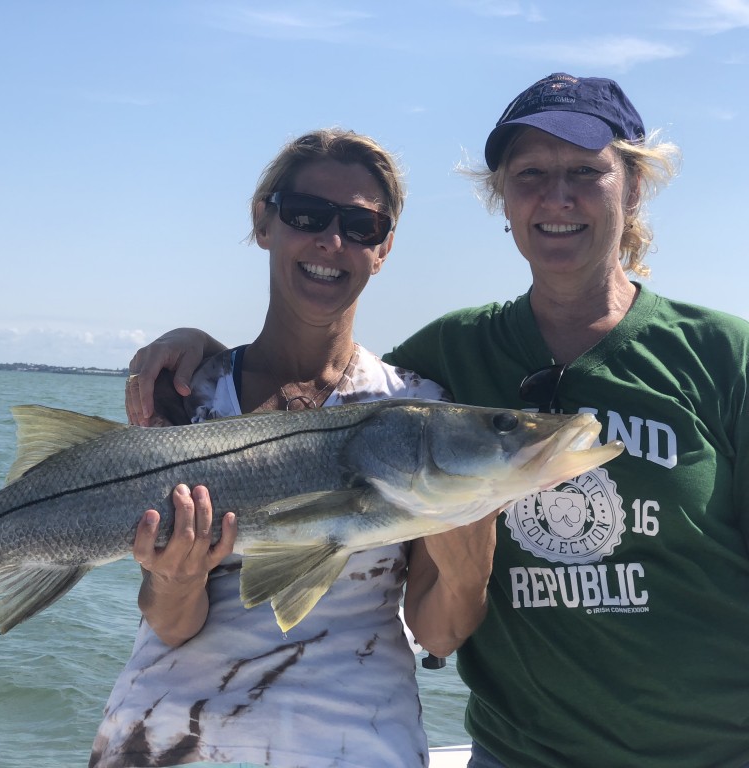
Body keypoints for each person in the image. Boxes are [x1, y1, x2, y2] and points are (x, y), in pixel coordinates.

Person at [125, 74, 749, 768]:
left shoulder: (725, 355)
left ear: (633, 187)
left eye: (585, 172)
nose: (557, 196)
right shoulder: (450, 357)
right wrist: (203, 354)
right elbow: (312, 404)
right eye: (530, 175)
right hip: (519, 753)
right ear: (502, 200)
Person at [88, 128, 497, 768]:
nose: (330, 242)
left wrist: (471, 563)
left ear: (384, 247)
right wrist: (174, 579)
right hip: (163, 742)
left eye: (361, 225)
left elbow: (438, 630)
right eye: (307, 215)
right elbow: (170, 624)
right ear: (264, 222)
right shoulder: (188, 396)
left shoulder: (419, 414)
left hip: (356, 746)